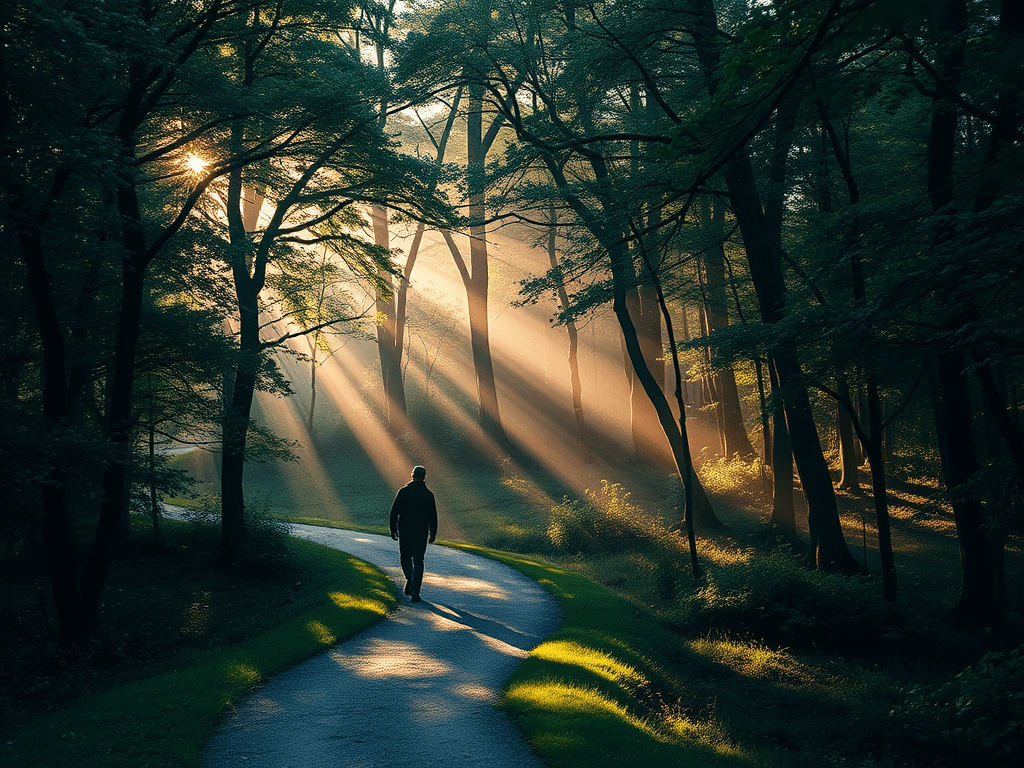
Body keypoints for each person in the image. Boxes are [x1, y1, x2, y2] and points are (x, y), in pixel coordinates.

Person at [388, 465, 437, 603]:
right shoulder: (428, 495)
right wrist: (432, 533)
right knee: (419, 561)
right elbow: (433, 516)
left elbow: (394, 512)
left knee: (405, 557)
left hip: (405, 531)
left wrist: (393, 529)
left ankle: (410, 577)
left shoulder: (404, 492)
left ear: (412, 475)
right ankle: (416, 592)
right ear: (424, 477)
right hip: (421, 532)